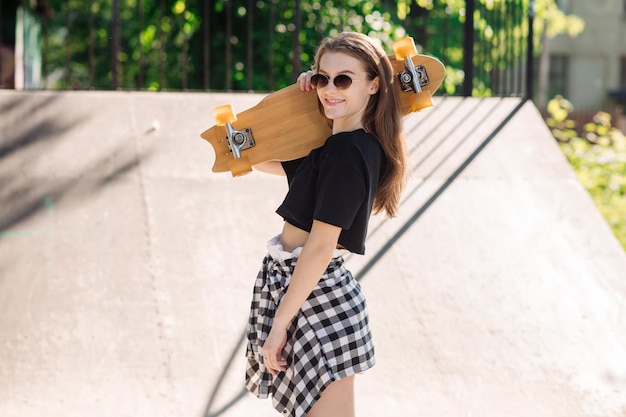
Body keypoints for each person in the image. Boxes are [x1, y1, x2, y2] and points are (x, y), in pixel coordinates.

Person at [245, 31, 407, 417]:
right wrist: (296, 99)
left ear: (374, 85)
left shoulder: (348, 153)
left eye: (344, 79)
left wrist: (281, 323)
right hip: (304, 292)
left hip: (315, 300)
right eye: (322, 78)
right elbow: (257, 158)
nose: (329, 89)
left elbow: (320, 246)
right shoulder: (334, 146)